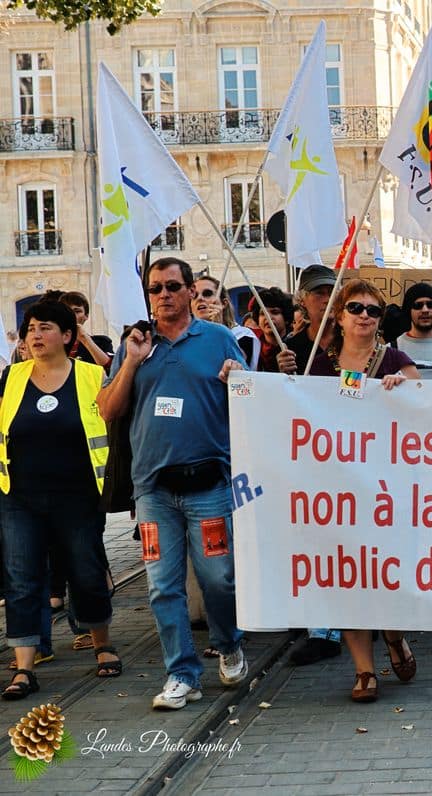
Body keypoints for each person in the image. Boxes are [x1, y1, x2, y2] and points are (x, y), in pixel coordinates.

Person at [96, 256, 248, 709]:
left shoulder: (218, 339)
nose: (163, 295)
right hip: (153, 490)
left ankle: (229, 642)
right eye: (155, 289)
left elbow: (251, 396)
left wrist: (239, 380)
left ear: (189, 292)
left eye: (172, 287)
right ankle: (181, 673)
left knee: (218, 578)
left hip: (209, 484)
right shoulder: (135, 346)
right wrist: (131, 363)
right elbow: (108, 409)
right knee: (163, 585)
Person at [305, 279, 419, 701]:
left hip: (386, 488)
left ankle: (392, 633)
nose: (365, 316)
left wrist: (404, 391)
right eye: (356, 308)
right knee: (348, 575)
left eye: (374, 310)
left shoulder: (395, 358)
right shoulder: (317, 363)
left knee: (384, 573)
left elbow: (428, 408)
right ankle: (364, 670)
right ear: (339, 315)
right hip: (336, 488)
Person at [0, 301, 121, 700]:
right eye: (30, 328)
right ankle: (24, 668)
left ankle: (102, 642)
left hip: (78, 496)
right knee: (21, 579)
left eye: (45, 327)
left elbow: (114, 421)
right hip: (19, 498)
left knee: (85, 571)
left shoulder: (91, 375)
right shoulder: (12, 377)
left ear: (68, 336)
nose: (34, 335)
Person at [192, 275, 261, 371]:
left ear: (224, 303)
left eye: (207, 294)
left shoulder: (243, 336)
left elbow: (234, 369)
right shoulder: (187, 337)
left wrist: (216, 329)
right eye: (194, 296)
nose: (200, 298)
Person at [286, 265, 338, 372]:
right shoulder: (291, 349)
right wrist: (282, 373)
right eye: (319, 293)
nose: (328, 299)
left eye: (332, 292)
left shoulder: (353, 341)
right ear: (302, 300)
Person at [393, 282, 432, 372]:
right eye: (418, 306)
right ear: (408, 311)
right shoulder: (392, 350)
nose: (425, 310)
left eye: (430, 305)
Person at [59, 291, 113, 370]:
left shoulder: (101, 343)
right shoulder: (51, 343)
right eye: (66, 311)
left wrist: (85, 339)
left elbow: (110, 369)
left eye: (77, 311)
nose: (71, 315)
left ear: (86, 316)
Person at [252, 287, 297, 374]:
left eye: (275, 312)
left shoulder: (296, 345)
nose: (268, 318)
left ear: (286, 318)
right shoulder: (252, 346)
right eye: (263, 313)